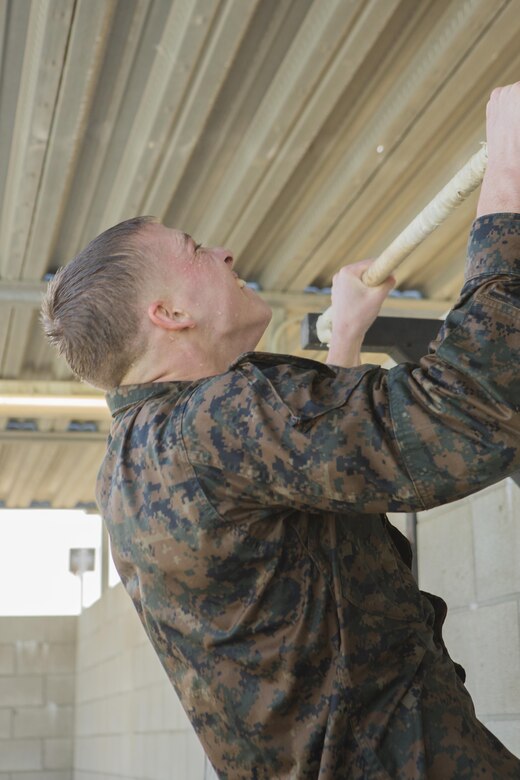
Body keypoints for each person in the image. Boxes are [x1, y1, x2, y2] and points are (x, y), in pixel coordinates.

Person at [41, 83, 520, 779]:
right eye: (197, 249)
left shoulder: (131, 460)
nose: (226, 252)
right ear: (168, 312)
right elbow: (468, 413)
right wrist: (506, 171)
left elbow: (305, 507)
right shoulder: (213, 421)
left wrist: (345, 340)